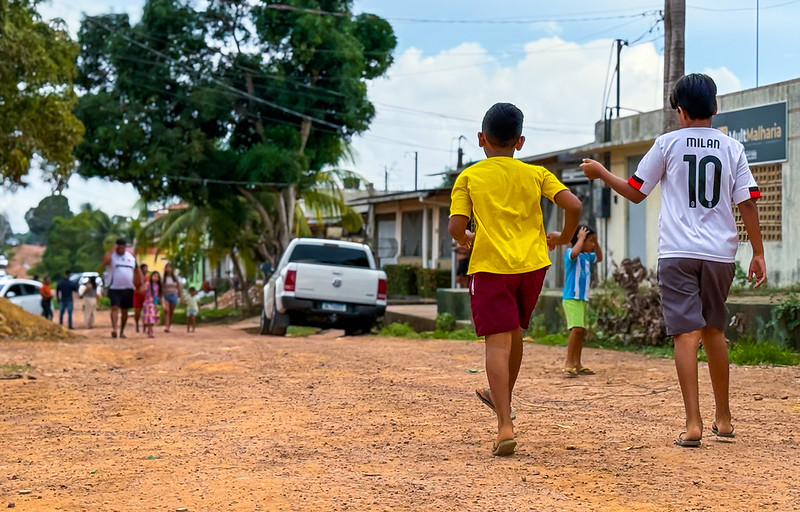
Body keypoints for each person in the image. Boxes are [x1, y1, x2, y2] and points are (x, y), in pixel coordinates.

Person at [580, 73, 766, 447]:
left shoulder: (667, 144)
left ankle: (693, 424)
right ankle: (724, 419)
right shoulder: (733, 148)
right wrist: (758, 252)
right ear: (715, 107)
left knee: (686, 333)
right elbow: (746, 202)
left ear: (679, 112)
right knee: (714, 331)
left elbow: (636, 192)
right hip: (720, 254)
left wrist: (602, 173)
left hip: (678, 253)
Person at [449, 102, 582, 456]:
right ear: (520, 142)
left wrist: (466, 237)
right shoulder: (537, 174)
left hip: (492, 267)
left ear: (481, 138)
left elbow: (456, 226)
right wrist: (564, 237)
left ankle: (504, 425)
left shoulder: (469, 177)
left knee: (497, 342)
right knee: (514, 333)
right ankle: (501, 397)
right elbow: (573, 205)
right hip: (532, 266)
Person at [562, 225, 603, 377]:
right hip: (572, 297)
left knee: (581, 331)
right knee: (577, 329)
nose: (592, 244)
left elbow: (599, 257)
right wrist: (580, 239)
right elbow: (574, 253)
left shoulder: (587, 257)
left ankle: (577, 363)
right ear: (580, 240)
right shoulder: (570, 253)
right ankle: (568, 363)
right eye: (590, 241)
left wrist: (596, 242)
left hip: (582, 298)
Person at [102, 238, 144, 339]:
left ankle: (122, 331)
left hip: (128, 288)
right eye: (118, 248)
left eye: (122, 248)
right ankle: (114, 328)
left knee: (125, 311)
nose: (120, 250)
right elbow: (105, 261)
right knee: (115, 307)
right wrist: (112, 249)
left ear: (125, 247)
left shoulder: (131, 257)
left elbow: (137, 269)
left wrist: (142, 284)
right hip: (114, 287)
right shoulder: (112, 256)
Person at [161, 263, 182, 333]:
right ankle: (167, 327)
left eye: (169, 267)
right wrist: (161, 296)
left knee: (171, 312)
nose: (168, 269)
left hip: (173, 295)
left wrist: (180, 294)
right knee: (167, 311)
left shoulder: (175, 278)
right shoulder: (163, 278)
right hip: (165, 295)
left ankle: (169, 325)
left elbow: (178, 286)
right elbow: (161, 287)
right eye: (167, 267)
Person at [141, 271, 162, 339]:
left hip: (154, 303)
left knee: (152, 317)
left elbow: (157, 295)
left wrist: (156, 303)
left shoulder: (157, 286)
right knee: (150, 317)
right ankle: (151, 331)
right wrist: (144, 288)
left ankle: (149, 330)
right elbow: (142, 291)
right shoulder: (148, 284)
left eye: (157, 277)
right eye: (154, 276)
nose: (156, 278)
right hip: (148, 303)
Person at [133, 263, 149, 333]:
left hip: (146, 296)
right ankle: (137, 324)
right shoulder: (136, 277)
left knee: (146, 312)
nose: (146, 270)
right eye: (145, 269)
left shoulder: (148, 278)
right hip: (137, 295)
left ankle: (145, 328)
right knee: (137, 312)